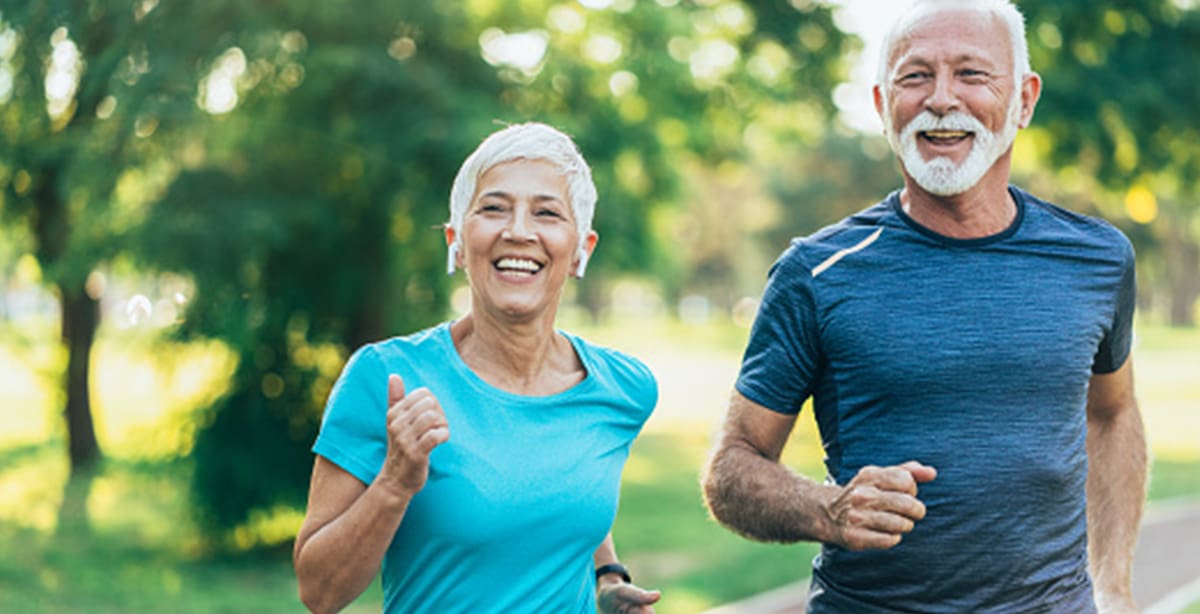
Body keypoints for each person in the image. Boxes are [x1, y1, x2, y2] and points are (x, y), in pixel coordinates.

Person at [702, 1, 1146, 612]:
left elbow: (1112, 413)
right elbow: (730, 469)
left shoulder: (1097, 258)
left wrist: (1113, 586)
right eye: (915, 77)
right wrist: (827, 508)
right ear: (883, 105)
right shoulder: (816, 272)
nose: (940, 99)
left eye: (971, 74)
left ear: (1024, 100)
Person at [293, 122, 662, 614]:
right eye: (493, 208)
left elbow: (559, 483)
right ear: (458, 242)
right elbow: (319, 592)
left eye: (547, 213)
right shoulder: (386, 379)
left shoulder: (623, 389)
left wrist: (607, 576)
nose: (519, 231)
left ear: (581, 250)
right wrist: (395, 483)